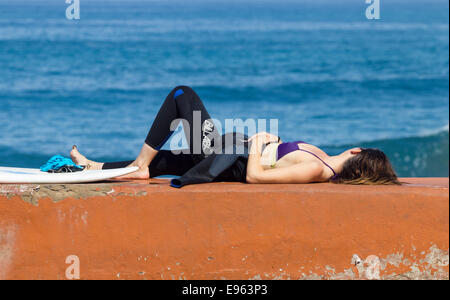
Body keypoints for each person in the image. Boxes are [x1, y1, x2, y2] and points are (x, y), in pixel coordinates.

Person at [70, 86, 401, 187]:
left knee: (181, 96)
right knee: (168, 159)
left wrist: (258, 143)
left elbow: (256, 177)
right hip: (228, 150)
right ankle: (96, 167)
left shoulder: (319, 169)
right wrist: (271, 143)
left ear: (357, 151)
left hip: (228, 156)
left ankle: (140, 165)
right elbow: (276, 163)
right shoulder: (322, 159)